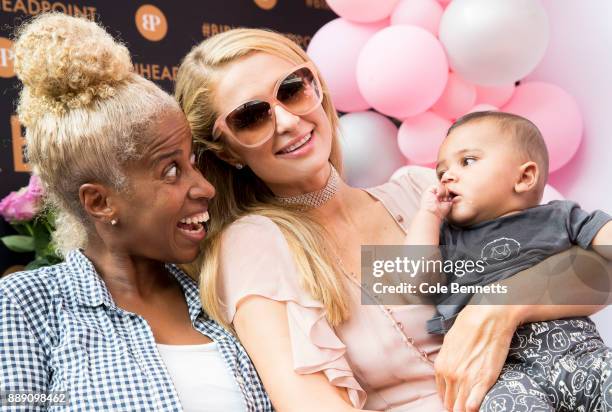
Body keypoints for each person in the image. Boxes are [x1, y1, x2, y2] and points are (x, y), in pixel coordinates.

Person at [175, 28, 608, 412]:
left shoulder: (422, 191)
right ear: (227, 151)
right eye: (251, 117)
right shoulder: (255, 243)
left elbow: (598, 263)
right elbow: (307, 401)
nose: (288, 121)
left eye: (292, 89)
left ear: (316, 87)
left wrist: (499, 306)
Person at [0, 14, 271, 412]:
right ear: (100, 202)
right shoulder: (27, 307)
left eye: (192, 162)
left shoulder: (221, 289)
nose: (205, 188)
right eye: (172, 170)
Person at [406, 111, 612, 410]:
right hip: (500, 375)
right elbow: (415, 278)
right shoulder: (448, 237)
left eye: (468, 161)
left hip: (580, 353)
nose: (448, 175)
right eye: (441, 172)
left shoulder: (558, 216)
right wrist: (427, 215)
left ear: (525, 177)